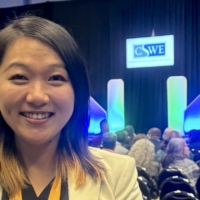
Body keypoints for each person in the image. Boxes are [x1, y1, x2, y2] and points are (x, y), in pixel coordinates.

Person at [0, 16, 142, 200]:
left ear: (77, 91)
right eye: (19, 76)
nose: (37, 96)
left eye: (56, 78)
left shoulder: (116, 175)